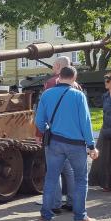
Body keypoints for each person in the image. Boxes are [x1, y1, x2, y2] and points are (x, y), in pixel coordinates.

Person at [35, 66, 99, 221]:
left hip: (55, 142)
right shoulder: (78, 96)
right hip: (76, 145)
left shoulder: (47, 94)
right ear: (74, 78)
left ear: (59, 77)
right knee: (80, 180)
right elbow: (85, 122)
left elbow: (38, 121)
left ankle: (45, 215)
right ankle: (80, 216)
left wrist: (45, 131)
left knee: (51, 178)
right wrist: (91, 146)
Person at [37, 56, 77, 213]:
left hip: (55, 134)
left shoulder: (51, 83)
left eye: (54, 65)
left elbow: (42, 113)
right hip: (73, 136)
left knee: (54, 170)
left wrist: (40, 132)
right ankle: (73, 201)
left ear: (59, 66)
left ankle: (55, 203)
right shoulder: (77, 86)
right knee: (69, 169)